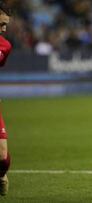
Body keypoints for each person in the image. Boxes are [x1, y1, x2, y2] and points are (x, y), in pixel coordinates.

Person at [0, 1, 12, 196]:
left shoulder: (5, 46)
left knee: (2, 155)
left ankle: (1, 175)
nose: (3, 29)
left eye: (5, 25)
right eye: (0, 24)